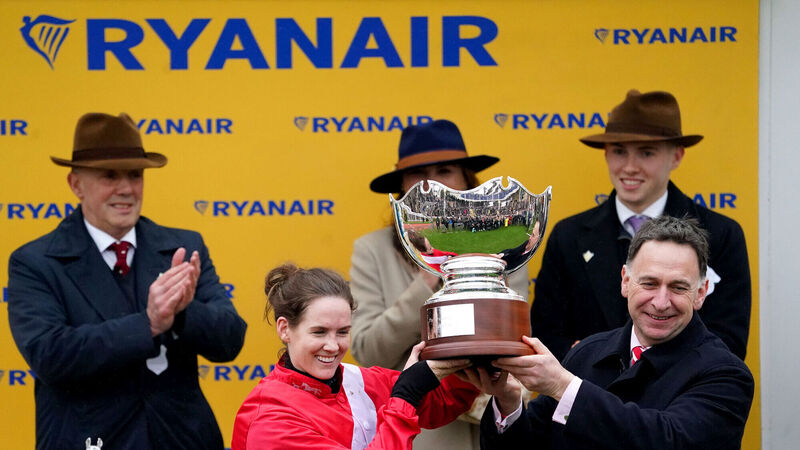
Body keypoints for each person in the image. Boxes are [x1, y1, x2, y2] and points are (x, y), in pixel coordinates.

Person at [7, 113, 247, 450]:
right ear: (76, 185)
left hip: (182, 440)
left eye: (135, 175)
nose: (126, 189)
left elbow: (230, 340)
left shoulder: (183, 247)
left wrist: (183, 312)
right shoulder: (35, 262)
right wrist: (149, 324)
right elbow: (51, 355)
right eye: (110, 176)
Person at [472, 216, 754, 449]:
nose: (661, 302)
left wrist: (564, 386)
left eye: (678, 287)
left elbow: (667, 440)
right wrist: (508, 402)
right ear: (625, 281)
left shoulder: (726, 375)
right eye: (649, 283)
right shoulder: (586, 354)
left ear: (701, 293)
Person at [531, 89, 751, 361]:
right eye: (619, 151)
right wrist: (592, 366)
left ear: (677, 156)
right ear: (606, 154)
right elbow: (547, 335)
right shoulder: (568, 236)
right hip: (587, 386)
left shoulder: (721, 235)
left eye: (646, 153)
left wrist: (645, 367)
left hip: (685, 388)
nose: (630, 167)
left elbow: (728, 343)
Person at [350, 119, 530, 449]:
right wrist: (427, 279)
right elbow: (368, 351)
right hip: (422, 430)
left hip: (494, 422)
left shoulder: (503, 245)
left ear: (467, 180)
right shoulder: (371, 250)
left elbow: (516, 339)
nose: (431, 185)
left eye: (444, 171)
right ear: (402, 186)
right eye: (418, 174)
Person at [231, 264, 479, 449]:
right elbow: (407, 396)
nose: (332, 346)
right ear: (285, 329)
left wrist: (470, 358)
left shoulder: (360, 380)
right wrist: (406, 394)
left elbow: (441, 402)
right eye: (319, 332)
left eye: (342, 332)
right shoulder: (269, 418)